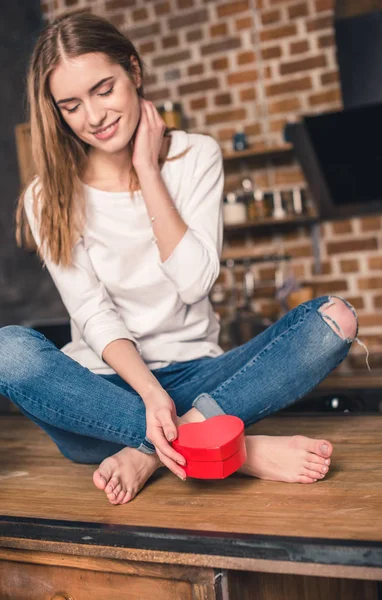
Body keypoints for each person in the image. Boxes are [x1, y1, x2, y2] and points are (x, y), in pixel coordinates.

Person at [1, 10, 360, 506]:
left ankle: (149, 452)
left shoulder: (197, 157)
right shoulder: (49, 196)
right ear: (57, 112)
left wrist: (147, 169)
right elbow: (92, 313)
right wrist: (149, 396)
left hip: (197, 376)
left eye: (104, 89)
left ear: (134, 71)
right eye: (71, 105)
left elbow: (194, 283)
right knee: (7, 351)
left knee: (334, 320)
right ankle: (228, 447)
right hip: (105, 391)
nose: (94, 117)